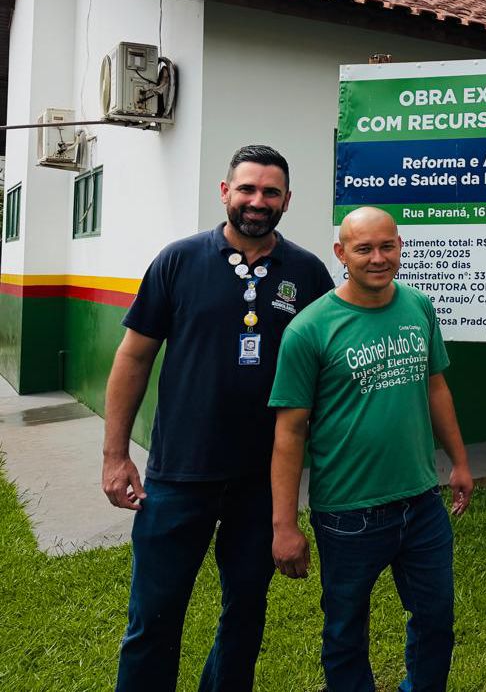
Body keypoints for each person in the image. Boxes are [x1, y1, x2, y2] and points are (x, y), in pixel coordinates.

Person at [102, 145, 333, 692]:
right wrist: (115, 456)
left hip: (262, 481)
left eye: (270, 192)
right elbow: (134, 357)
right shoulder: (178, 260)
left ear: (287, 200)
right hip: (180, 474)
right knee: (153, 617)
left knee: (246, 613)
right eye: (247, 189)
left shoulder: (306, 272)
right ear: (225, 191)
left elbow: (329, 367)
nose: (258, 201)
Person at [268, 206, 473, 692]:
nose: (378, 258)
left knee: (435, 621)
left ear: (400, 246)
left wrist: (460, 462)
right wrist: (284, 525)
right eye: (364, 249)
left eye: (388, 246)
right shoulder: (309, 329)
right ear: (341, 253)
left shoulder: (418, 306)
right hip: (347, 514)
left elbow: (435, 386)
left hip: (421, 503)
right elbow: (289, 433)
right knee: (344, 632)